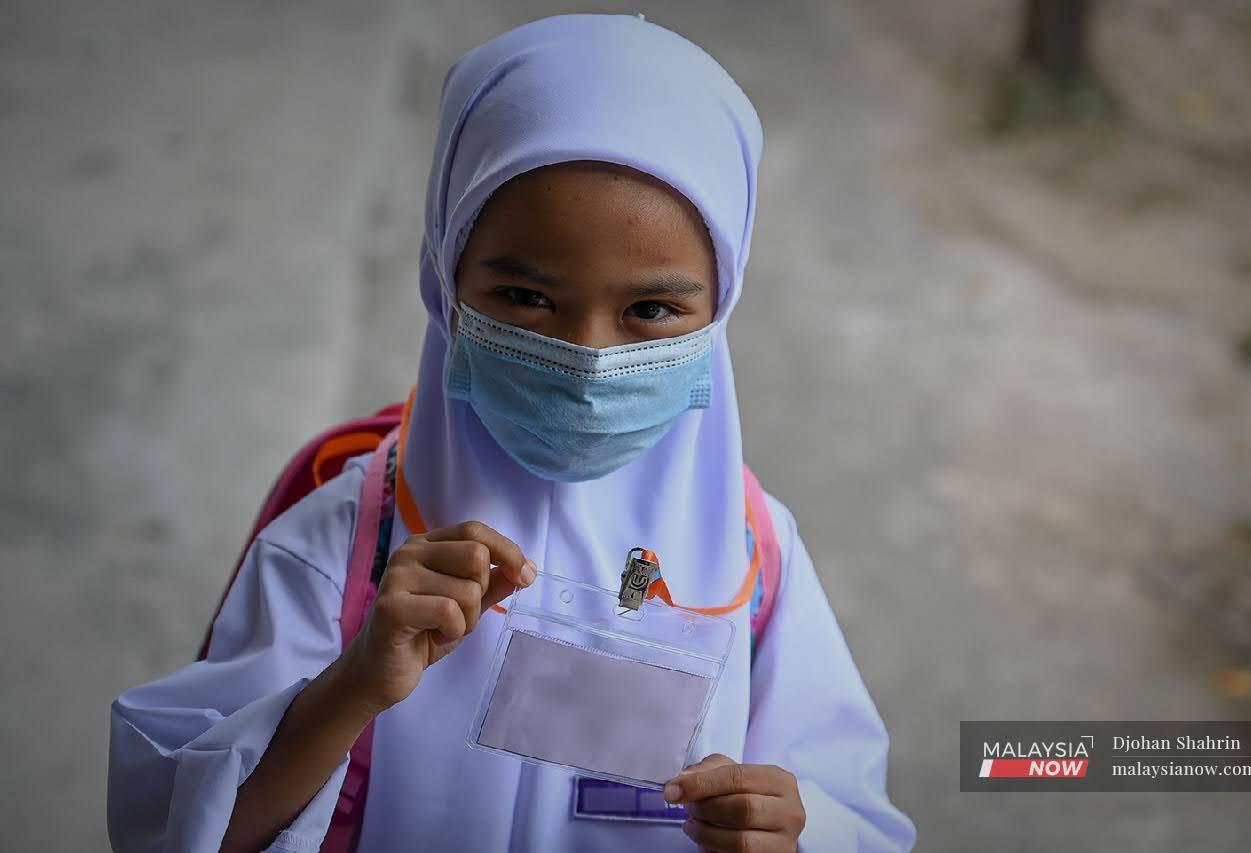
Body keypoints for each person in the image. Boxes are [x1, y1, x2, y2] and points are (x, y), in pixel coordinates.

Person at [107, 13, 915, 853]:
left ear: (719, 311)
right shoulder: (342, 541)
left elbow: (854, 808)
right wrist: (352, 686)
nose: (587, 358)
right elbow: (179, 829)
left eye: (650, 310)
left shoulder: (753, 561)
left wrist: (797, 829)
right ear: (445, 281)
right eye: (528, 298)